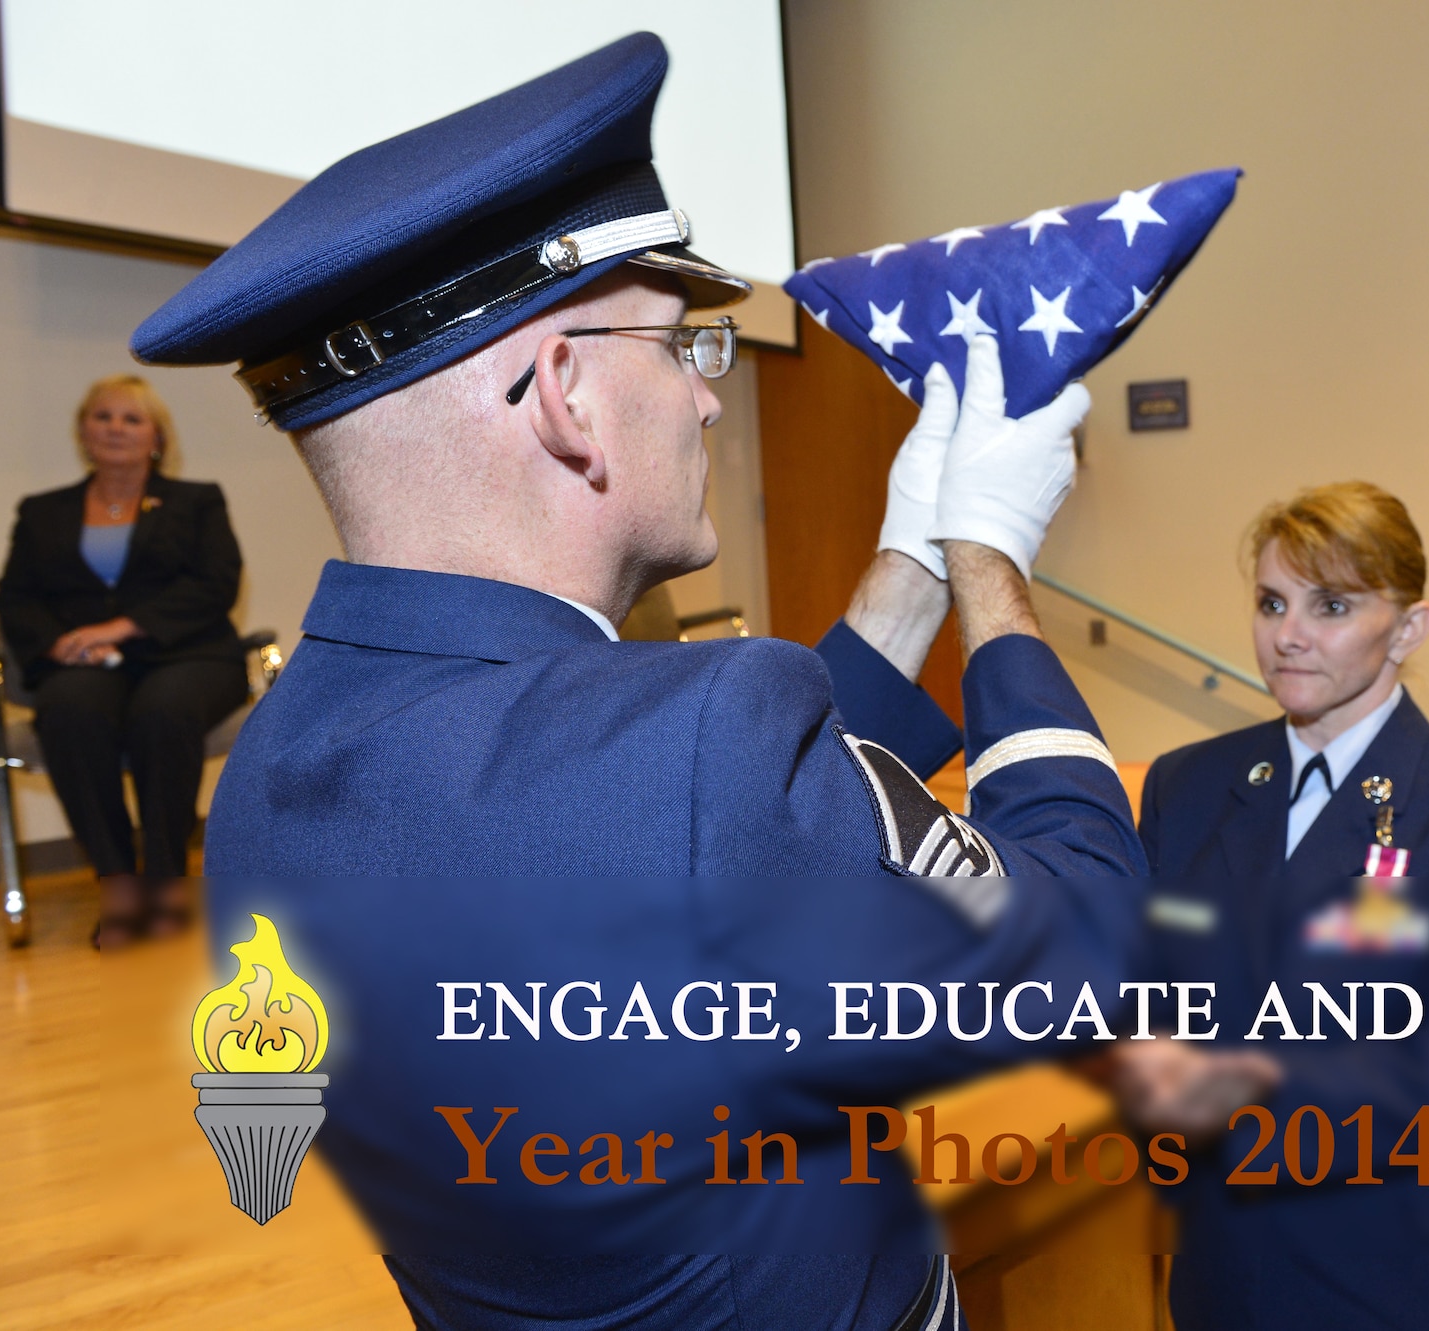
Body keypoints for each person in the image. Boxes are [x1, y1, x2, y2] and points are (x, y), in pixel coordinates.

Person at [133, 34, 1143, 1331]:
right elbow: (1081, 946)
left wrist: (910, 570)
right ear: (566, 394)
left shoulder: (270, 784)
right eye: (678, 347)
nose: (708, 401)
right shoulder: (692, 759)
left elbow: (739, 833)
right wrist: (993, 568)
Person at [1112, 481, 1429, 1330]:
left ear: (1409, 628)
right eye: (1271, 601)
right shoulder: (1188, 784)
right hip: (1228, 1273)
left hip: (1410, 1279)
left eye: (1330, 605)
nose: (1288, 635)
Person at [0, 374, 246, 941]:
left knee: (163, 714)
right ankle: (119, 889)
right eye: (102, 416)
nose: (115, 428)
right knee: (68, 713)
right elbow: (15, 596)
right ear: (83, 430)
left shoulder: (197, 501)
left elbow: (215, 584)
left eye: (132, 419)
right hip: (83, 663)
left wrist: (125, 626)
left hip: (187, 655)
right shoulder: (42, 511)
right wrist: (58, 642)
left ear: (157, 436)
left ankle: (163, 888)